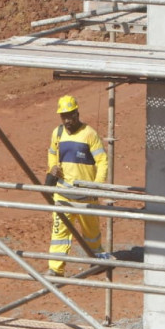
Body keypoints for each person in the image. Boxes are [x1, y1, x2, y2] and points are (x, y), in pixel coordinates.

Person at [45, 95, 109, 276]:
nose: (67, 120)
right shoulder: (57, 133)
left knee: (92, 233)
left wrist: (97, 186)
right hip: (63, 194)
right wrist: (53, 168)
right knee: (59, 235)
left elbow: (102, 160)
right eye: (63, 116)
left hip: (85, 196)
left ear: (77, 113)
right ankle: (56, 270)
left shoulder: (89, 134)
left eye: (70, 115)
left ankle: (96, 260)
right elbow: (51, 153)